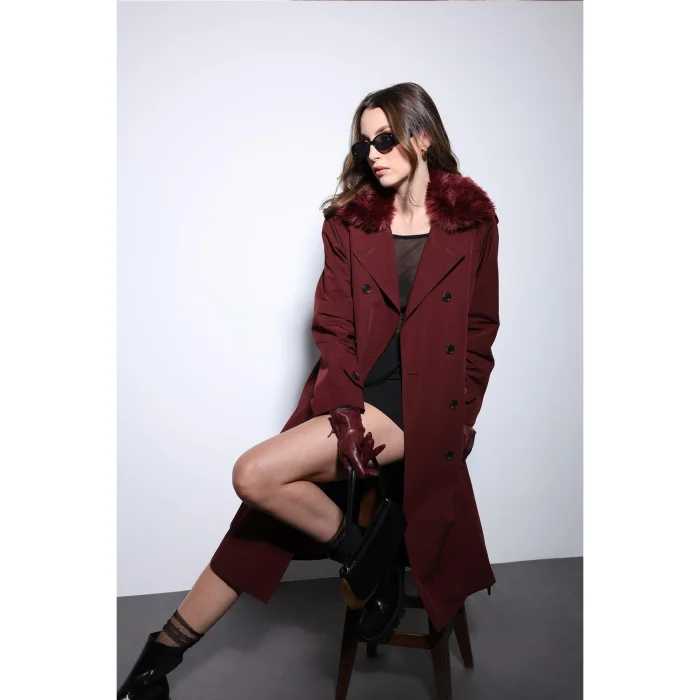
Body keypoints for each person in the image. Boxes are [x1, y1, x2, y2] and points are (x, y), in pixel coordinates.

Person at [118, 81, 499, 700]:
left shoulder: (472, 222)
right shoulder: (349, 223)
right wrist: (344, 414)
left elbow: (480, 329)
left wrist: (463, 415)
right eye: (364, 143)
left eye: (385, 139)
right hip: (355, 396)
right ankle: (157, 660)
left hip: (423, 408)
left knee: (254, 474)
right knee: (257, 514)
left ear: (422, 137)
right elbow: (333, 327)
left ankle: (365, 557)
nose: (372, 154)